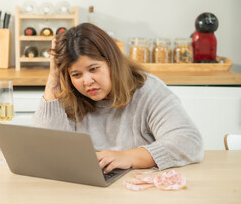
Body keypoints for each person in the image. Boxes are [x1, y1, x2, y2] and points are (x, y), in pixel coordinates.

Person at [33, 23, 203, 174]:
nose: (87, 81)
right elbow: (43, 149)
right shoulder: (70, 93)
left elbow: (189, 141)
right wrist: (53, 77)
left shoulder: (147, 89)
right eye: (76, 74)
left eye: (93, 69)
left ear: (112, 62)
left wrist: (127, 157)